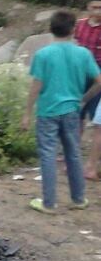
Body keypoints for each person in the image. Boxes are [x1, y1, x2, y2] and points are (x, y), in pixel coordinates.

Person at [21, 11, 101, 213]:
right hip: (72, 111)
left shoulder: (43, 54)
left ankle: (49, 203)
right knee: (73, 154)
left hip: (48, 111)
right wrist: (84, 98)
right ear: (74, 30)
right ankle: (78, 199)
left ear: (50, 29)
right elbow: (99, 80)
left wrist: (27, 113)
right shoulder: (83, 53)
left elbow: (36, 86)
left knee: (48, 155)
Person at [75, 0, 101, 138]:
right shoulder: (80, 25)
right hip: (79, 71)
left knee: (96, 112)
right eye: (94, 7)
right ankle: (73, 147)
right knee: (76, 111)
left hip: (98, 72)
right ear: (88, 7)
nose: (98, 11)